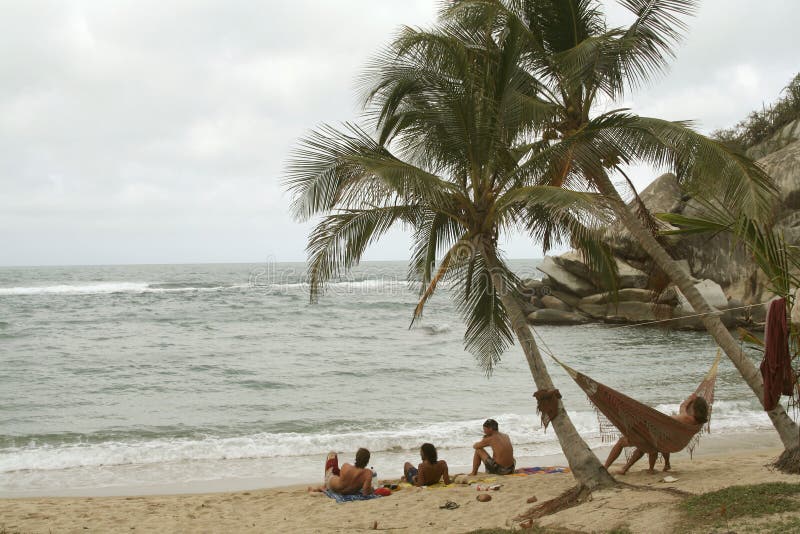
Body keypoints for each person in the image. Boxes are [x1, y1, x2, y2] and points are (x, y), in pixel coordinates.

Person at [604, 394, 709, 475]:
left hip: (662, 440)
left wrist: (690, 399)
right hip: (672, 442)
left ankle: (606, 468)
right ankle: (656, 467)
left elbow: (682, 407)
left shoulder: (686, 418)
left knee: (625, 442)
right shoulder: (699, 422)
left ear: (695, 408)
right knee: (653, 441)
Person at [308, 448, 374, 494]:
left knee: (332, 453)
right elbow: (366, 492)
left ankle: (325, 486)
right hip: (349, 491)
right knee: (341, 475)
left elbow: (341, 476)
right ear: (367, 461)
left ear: (356, 457)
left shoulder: (346, 466)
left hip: (332, 485)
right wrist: (371, 489)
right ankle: (322, 487)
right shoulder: (368, 474)